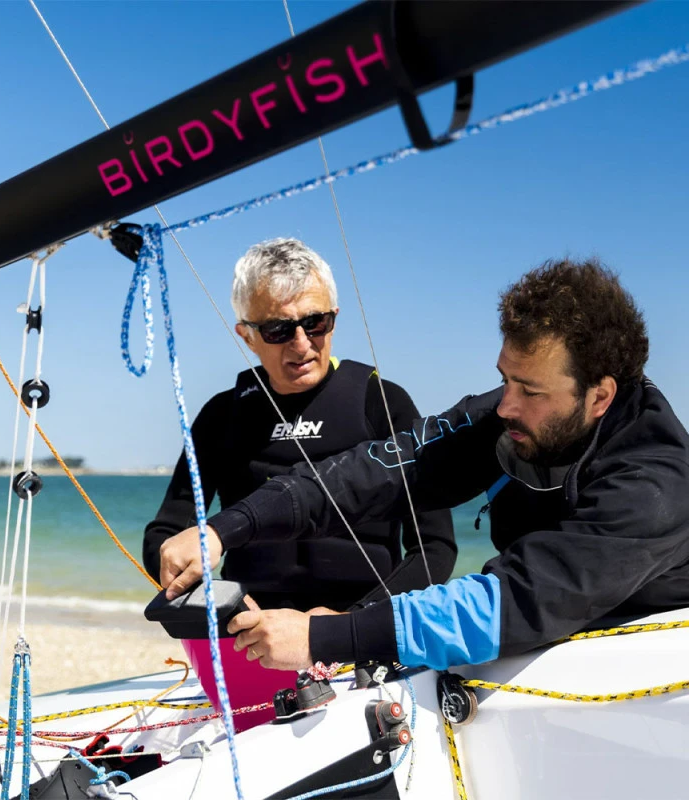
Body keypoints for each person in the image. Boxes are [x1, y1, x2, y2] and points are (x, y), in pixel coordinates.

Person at [160, 257, 689, 672]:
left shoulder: (655, 484)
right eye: (505, 378)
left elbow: (515, 600)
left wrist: (330, 637)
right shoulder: (510, 415)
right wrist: (224, 529)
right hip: (537, 650)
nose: (505, 404)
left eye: (530, 389)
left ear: (600, 397)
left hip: (642, 667)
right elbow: (371, 472)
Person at [144, 237, 455, 609]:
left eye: (315, 322)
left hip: (361, 622)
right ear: (246, 336)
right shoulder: (221, 415)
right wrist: (224, 605)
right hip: (252, 626)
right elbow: (165, 536)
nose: (302, 344)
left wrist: (351, 626)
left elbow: (434, 548)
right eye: (278, 330)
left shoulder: (382, 402)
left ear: (334, 318)